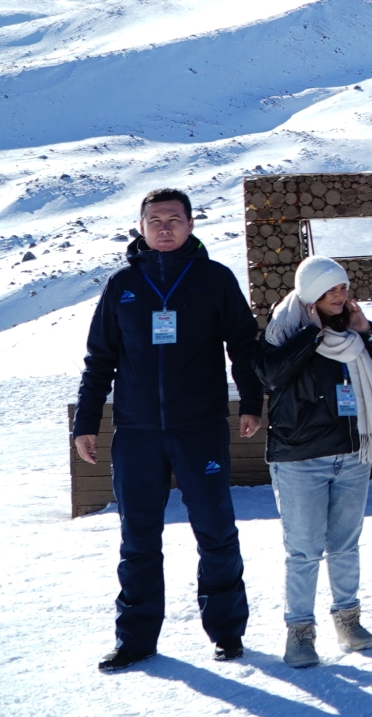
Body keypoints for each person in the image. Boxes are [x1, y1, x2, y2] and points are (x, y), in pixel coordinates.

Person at [73, 188, 265, 672]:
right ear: (141, 227)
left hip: (199, 427)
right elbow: (100, 358)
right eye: (155, 219)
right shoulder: (122, 285)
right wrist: (86, 422)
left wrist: (251, 402)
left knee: (215, 530)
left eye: (174, 219)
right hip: (137, 432)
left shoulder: (214, 279)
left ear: (191, 224)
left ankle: (227, 632)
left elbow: (243, 345)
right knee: (138, 538)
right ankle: (136, 639)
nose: (164, 227)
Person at [259, 256, 372, 666]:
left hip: (351, 455)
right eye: (331, 288)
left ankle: (348, 619)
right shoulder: (284, 330)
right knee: (304, 551)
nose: (340, 294)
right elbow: (270, 375)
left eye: (343, 287)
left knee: (345, 544)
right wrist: (312, 335)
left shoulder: (352, 331)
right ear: (311, 292)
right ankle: (300, 632)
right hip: (300, 459)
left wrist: (367, 331)